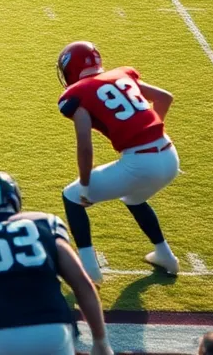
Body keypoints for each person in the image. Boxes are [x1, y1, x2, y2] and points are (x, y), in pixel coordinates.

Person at [0, 171, 113, 355]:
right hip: (52, 331)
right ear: (16, 201)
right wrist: (101, 341)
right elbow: (82, 283)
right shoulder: (47, 225)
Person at [56, 41, 181, 283]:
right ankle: (165, 255)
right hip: (169, 154)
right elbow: (165, 98)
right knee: (134, 198)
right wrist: (151, 131)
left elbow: (84, 145)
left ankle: (89, 271)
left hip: (142, 162)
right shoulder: (122, 75)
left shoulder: (77, 94)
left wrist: (85, 185)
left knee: (72, 196)